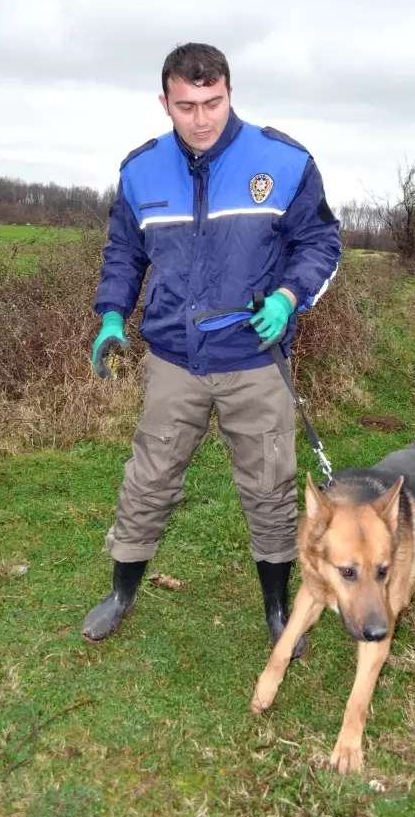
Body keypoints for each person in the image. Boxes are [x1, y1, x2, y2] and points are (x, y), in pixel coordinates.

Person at [82, 43, 341, 655]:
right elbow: (124, 254)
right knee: (148, 479)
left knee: (272, 487)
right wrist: (112, 316)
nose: (202, 119)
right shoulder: (140, 172)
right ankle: (122, 592)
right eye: (187, 106)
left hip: (255, 360)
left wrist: (287, 297)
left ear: (230, 92)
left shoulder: (284, 161)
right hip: (174, 359)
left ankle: (279, 608)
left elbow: (320, 246)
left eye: (213, 102)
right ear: (165, 103)